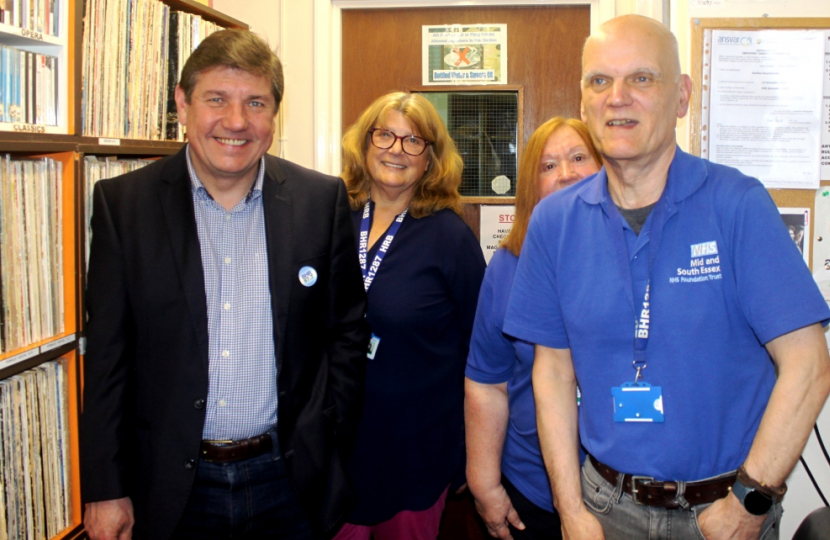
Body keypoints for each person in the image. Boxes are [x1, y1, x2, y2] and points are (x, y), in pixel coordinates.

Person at [503, 15, 830, 540]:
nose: (617, 97)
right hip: (604, 508)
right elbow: (553, 373)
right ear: (584, 102)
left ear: (681, 97)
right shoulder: (554, 222)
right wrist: (571, 510)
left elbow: (809, 365)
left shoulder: (737, 205)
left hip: (721, 512)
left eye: (641, 78)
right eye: (600, 81)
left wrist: (749, 503)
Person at [80, 29, 370, 540]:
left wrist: (330, 436)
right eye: (217, 99)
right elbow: (107, 358)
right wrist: (105, 487)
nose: (236, 122)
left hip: (289, 481)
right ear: (183, 103)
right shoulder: (123, 206)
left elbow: (345, 332)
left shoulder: (319, 201)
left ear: (274, 114)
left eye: (255, 102)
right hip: (170, 489)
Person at [334, 92, 486, 540]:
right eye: (385, 135)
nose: (396, 150)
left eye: (413, 141)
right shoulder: (331, 217)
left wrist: (469, 452)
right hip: (336, 447)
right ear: (364, 144)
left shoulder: (449, 235)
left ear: (430, 160)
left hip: (416, 449)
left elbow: (479, 351)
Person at [465, 117, 601, 540]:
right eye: (548, 166)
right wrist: (484, 484)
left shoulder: (634, 253)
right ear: (531, 188)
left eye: (579, 157)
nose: (566, 174)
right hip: (531, 487)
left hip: (625, 495)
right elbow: (486, 382)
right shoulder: (508, 266)